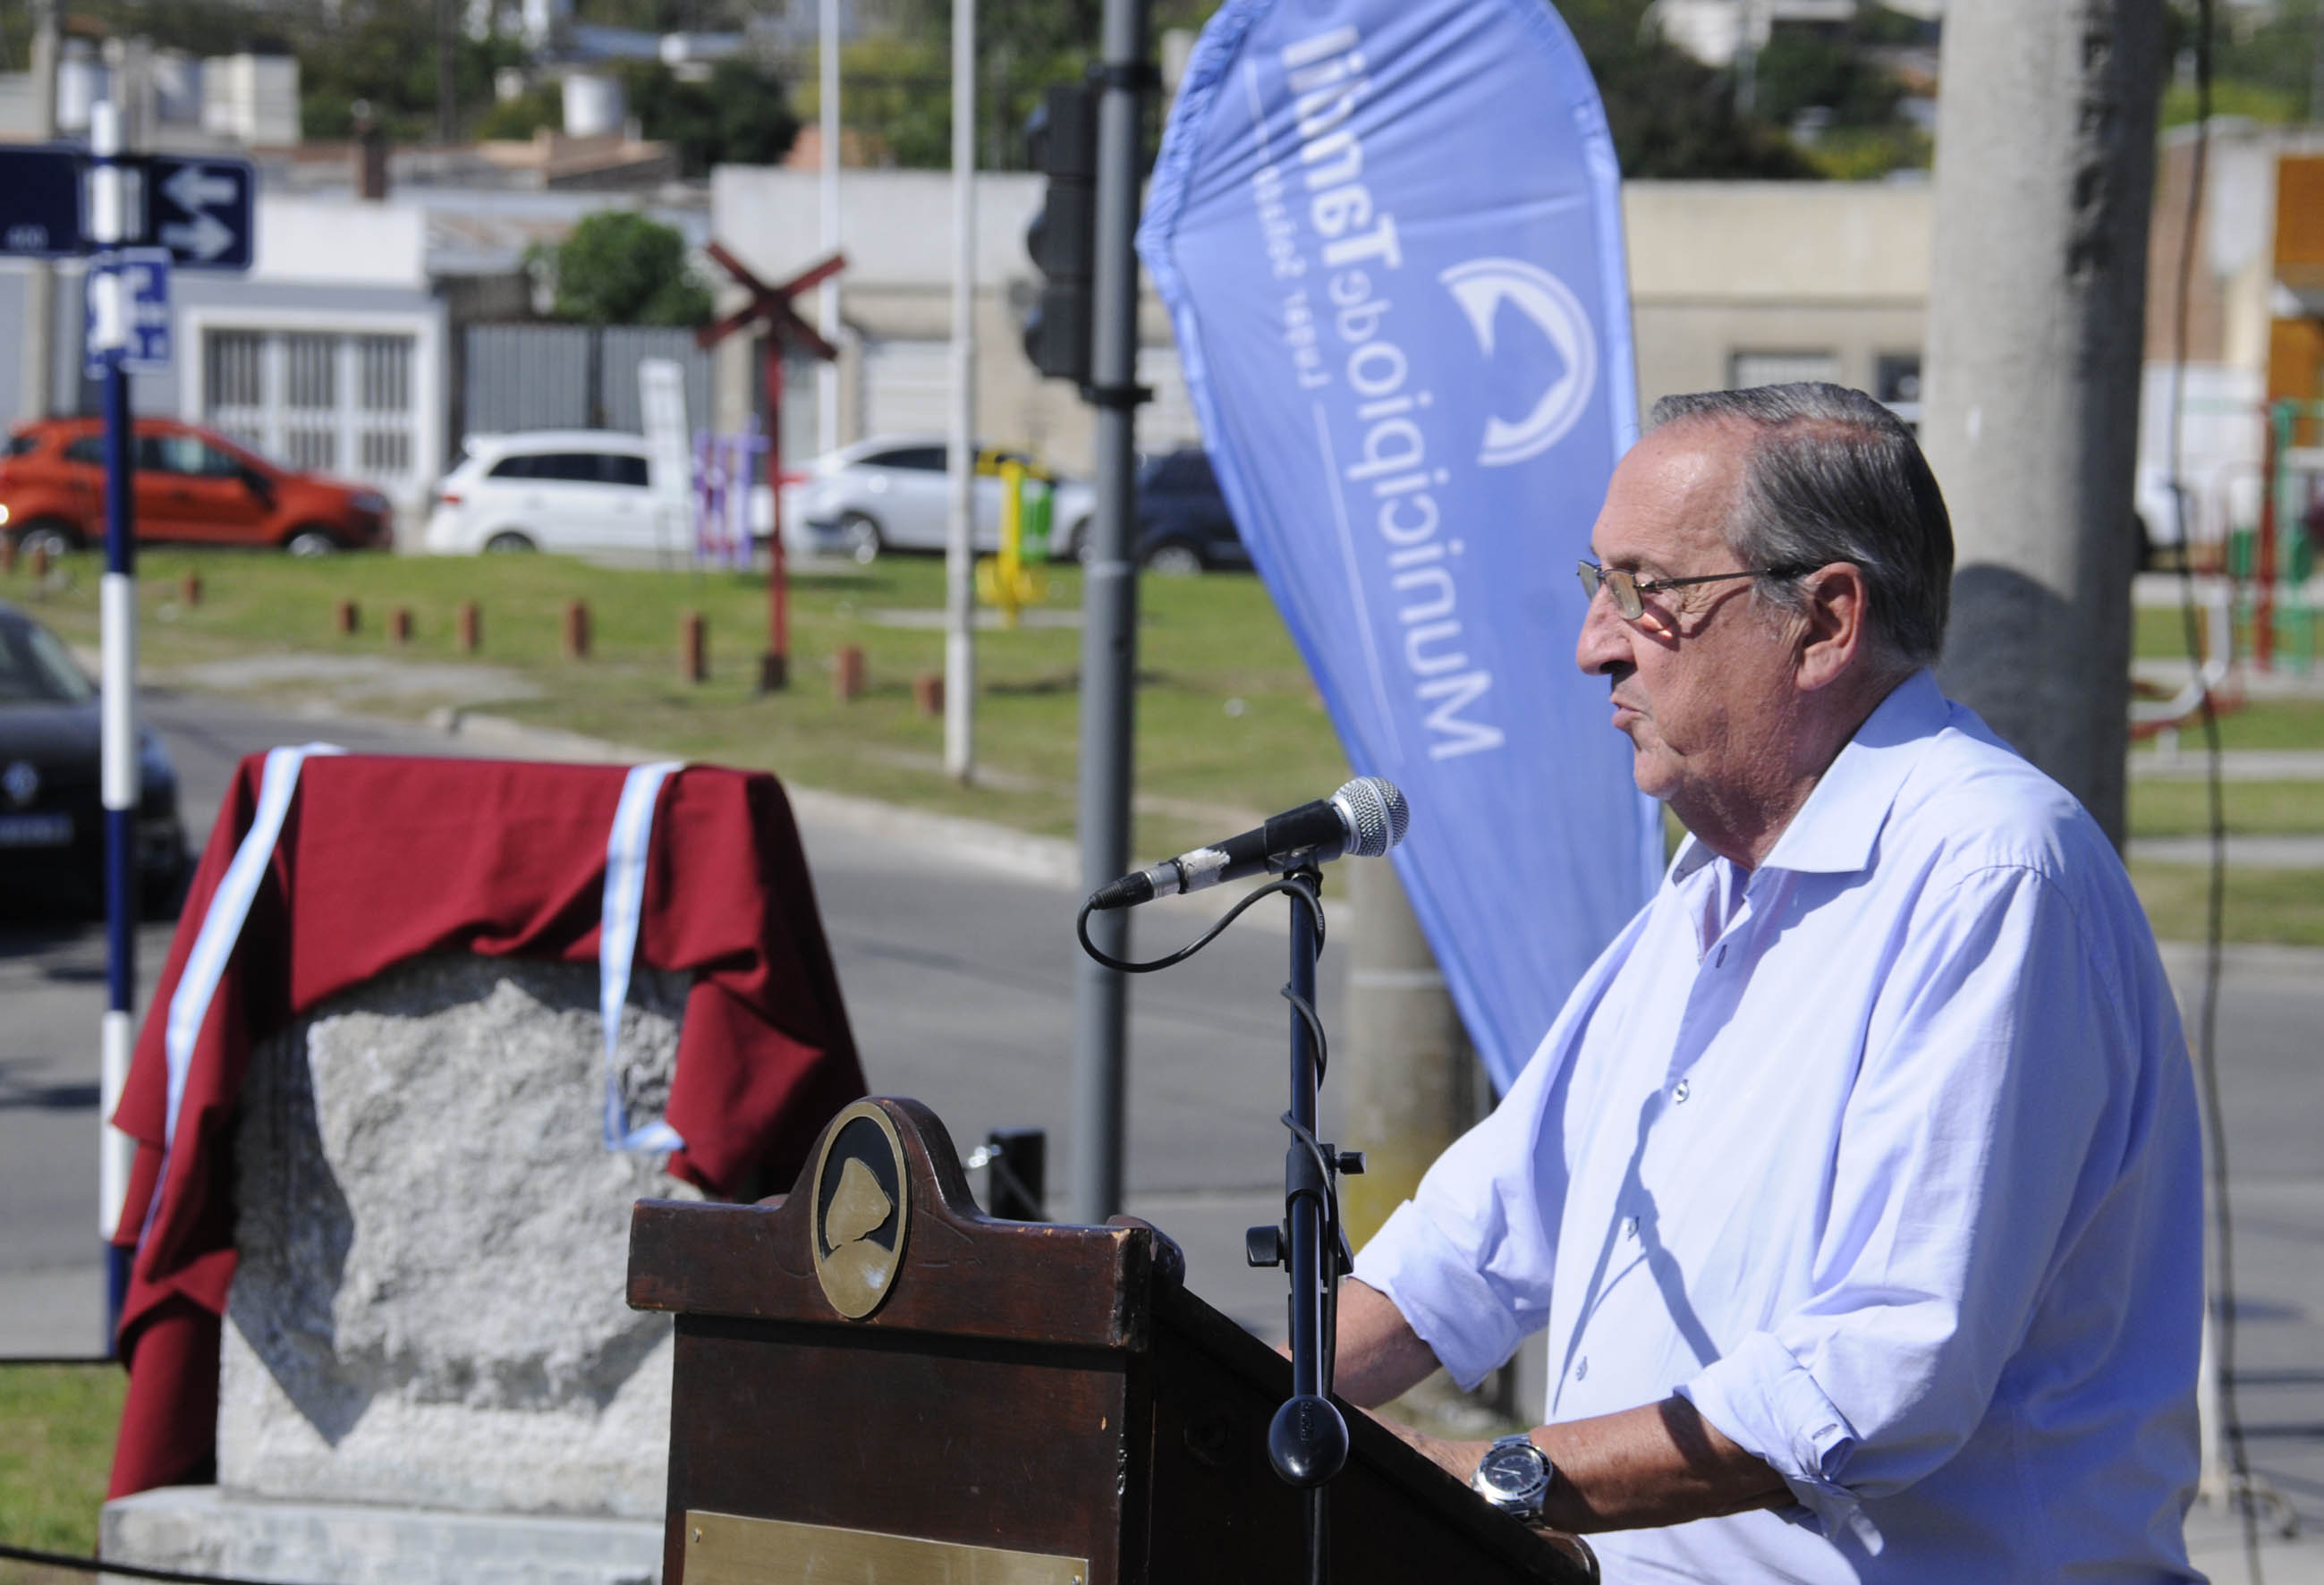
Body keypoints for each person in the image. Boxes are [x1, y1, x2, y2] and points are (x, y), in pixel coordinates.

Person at [1340, 383, 2204, 1581]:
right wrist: (1236, 1402)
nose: (1595, 640)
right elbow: (1484, 1230)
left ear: (1825, 620)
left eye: (1650, 592)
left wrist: (1493, 1480)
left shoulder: (1991, 873)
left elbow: (1885, 1363)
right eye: (1600, 583)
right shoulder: (1717, 876)